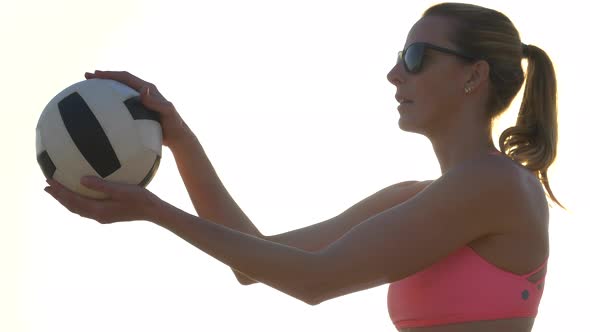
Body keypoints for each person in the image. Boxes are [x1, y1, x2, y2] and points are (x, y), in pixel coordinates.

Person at [44, 3, 565, 331]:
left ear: (473, 75)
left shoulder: (497, 184)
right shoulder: (415, 196)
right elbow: (254, 265)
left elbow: (315, 280)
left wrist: (155, 211)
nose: (393, 74)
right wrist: (182, 140)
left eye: (414, 56)